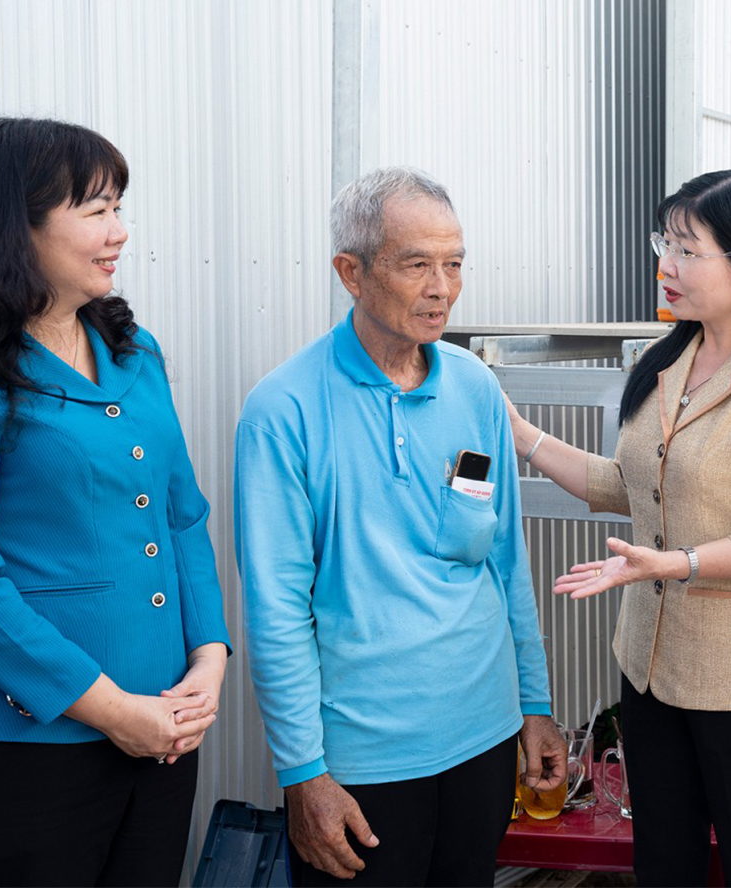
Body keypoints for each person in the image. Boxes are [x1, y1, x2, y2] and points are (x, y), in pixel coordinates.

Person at [0, 118, 230, 887]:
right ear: (13, 225)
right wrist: (114, 711)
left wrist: (209, 657)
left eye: (119, 208)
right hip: (9, 761)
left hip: (158, 739)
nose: (120, 232)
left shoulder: (134, 352)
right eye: (96, 211)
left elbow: (182, 518)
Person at [505, 170, 731, 886]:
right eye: (666, 244)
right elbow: (630, 487)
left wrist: (676, 563)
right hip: (651, 671)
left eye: (689, 250)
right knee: (663, 862)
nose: (668, 266)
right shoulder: (668, 362)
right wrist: (521, 436)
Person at [235, 167, 564, 887]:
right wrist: (303, 772)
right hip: (361, 762)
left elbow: (505, 559)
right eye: (417, 265)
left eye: (455, 264)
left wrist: (534, 706)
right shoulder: (283, 411)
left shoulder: (474, 387)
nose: (442, 288)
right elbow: (277, 610)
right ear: (350, 272)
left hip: (484, 737)